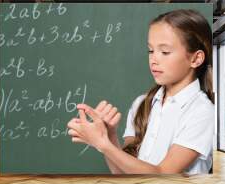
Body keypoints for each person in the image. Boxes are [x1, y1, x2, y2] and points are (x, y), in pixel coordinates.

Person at [67, 9, 214, 175]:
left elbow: (163, 174)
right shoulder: (141, 104)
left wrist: (103, 144)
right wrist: (110, 136)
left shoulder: (203, 112)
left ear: (196, 59)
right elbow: (122, 174)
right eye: (151, 50)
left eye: (164, 52)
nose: (154, 59)